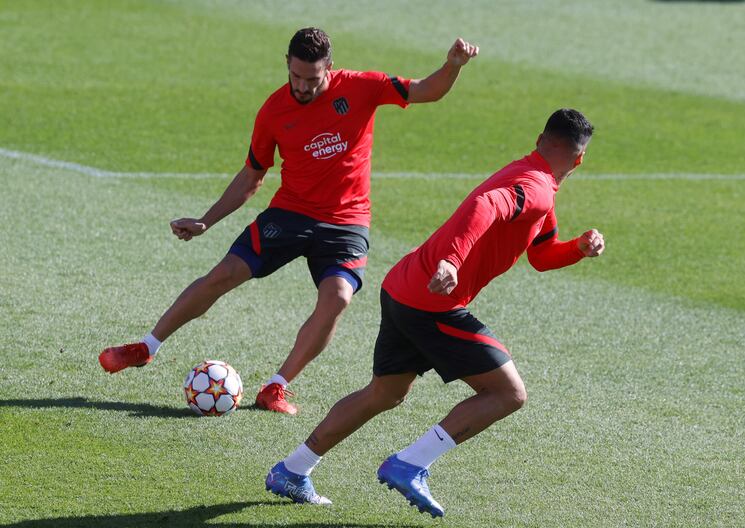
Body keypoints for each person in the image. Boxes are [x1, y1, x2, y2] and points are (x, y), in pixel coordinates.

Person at [98, 28, 479, 414]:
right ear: (287, 64)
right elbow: (252, 176)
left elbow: (427, 90)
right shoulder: (273, 111)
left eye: (311, 79)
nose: (301, 86)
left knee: (338, 298)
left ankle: (276, 387)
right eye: (295, 76)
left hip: (346, 222)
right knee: (224, 274)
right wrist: (205, 221)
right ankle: (147, 346)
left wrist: (452, 66)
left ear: (329, 67)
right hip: (290, 213)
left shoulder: (364, 86)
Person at [265, 108, 605, 517]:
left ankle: (292, 469)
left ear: (539, 139)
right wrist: (453, 261)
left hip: (403, 289)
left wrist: (577, 249)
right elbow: (485, 205)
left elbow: (542, 254)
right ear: (580, 159)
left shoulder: (531, 177)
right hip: (432, 302)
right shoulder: (536, 187)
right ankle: (410, 463)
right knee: (508, 393)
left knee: (385, 393)